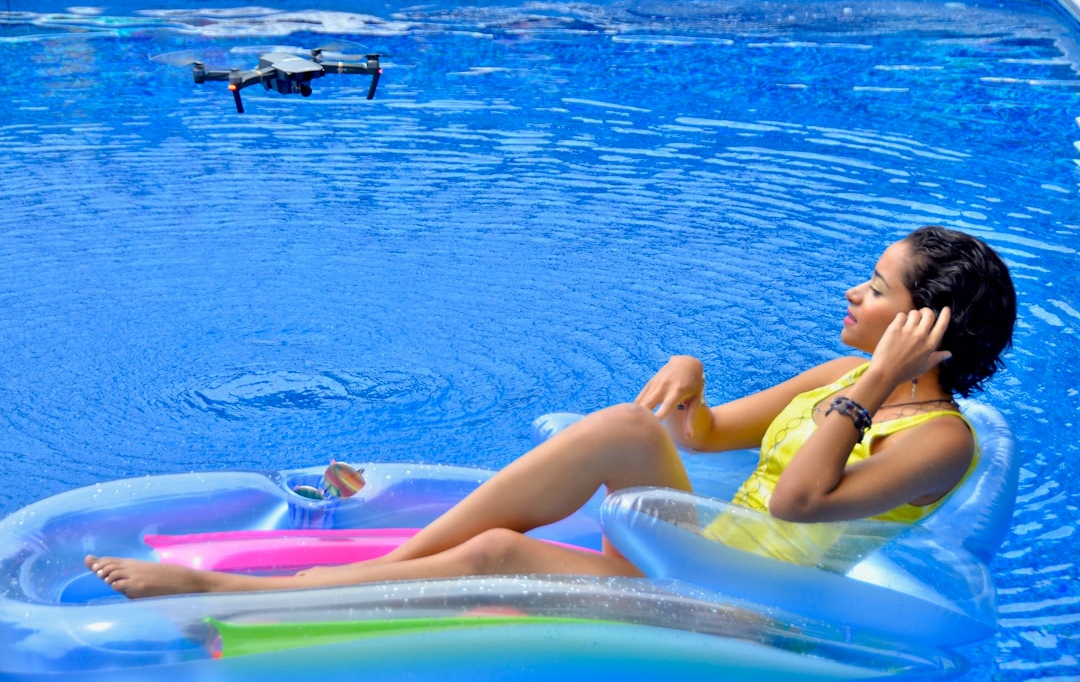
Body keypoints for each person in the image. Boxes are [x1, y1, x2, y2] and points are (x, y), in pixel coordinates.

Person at [86, 225, 1016, 598]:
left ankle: (235, 594)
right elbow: (702, 436)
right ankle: (393, 564)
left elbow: (797, 503)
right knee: (624, 424)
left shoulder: (941, 442)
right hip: (695, 545)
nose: (854, 292)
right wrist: (689, 379)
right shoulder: (831, 374)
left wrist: (867, 389)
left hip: (740, 600)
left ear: (923, 325)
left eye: (878, 287)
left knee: (494, 556)